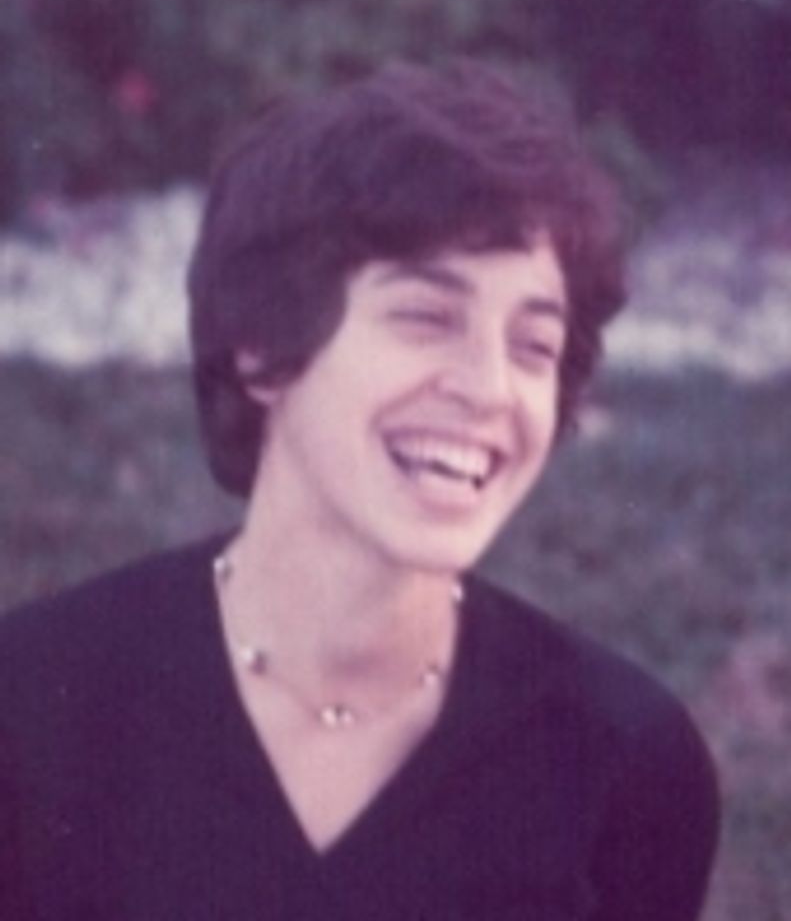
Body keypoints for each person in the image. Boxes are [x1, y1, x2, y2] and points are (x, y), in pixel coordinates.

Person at [0, 60, 719, 920]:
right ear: (262, 350)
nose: (490, 389)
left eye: (533, 346)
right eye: (425, 317)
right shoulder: (32, 707)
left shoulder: (622, 760)